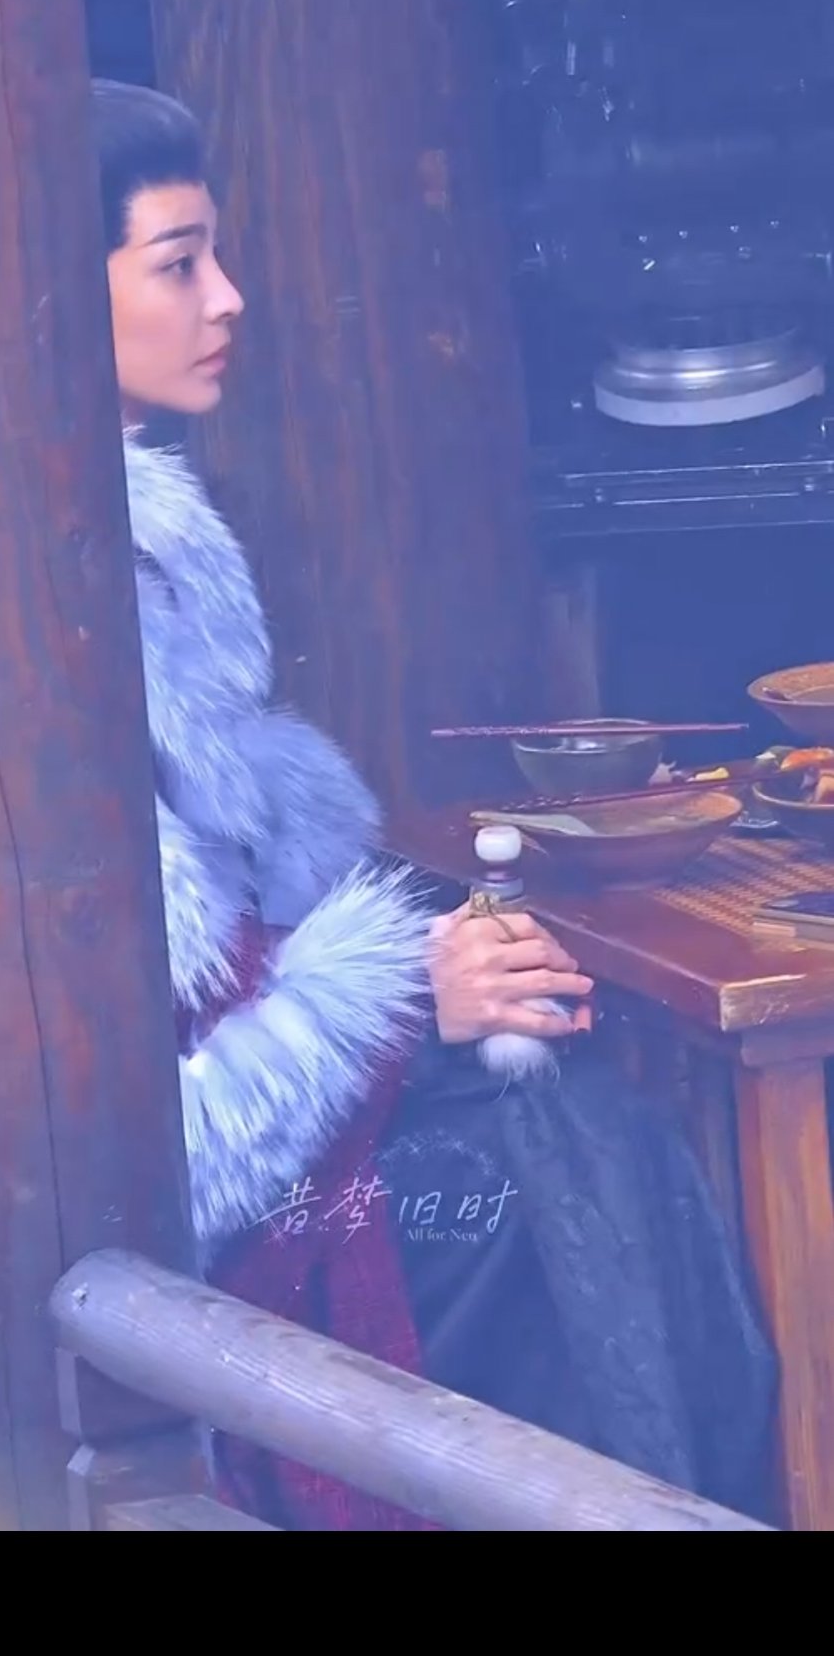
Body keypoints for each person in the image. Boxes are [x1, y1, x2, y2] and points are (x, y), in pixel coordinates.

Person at [93, 77, 776, 1530]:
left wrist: (440, 967)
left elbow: (246, 936)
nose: (228, 297)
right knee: (543, 1186)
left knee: (600, 1119)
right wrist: (407, 995)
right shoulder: (39, 592)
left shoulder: (146, 544)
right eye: (179, 263)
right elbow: (153, 1108)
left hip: (284, 1118)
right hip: (167, 1211)